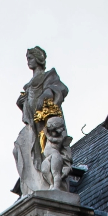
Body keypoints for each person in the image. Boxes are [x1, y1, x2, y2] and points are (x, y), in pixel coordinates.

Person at [14, 46, 70, 195]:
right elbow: (28, 103)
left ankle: (50, 182)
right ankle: (31, 187)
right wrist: (22, 102)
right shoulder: (29, 84)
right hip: (33, 124)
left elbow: (61, 88)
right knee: (18, 149)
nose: (28, 62)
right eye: (27, 59)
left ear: (38, 59)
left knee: (47, 152)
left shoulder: (48, 76)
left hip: (45, 123)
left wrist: (47, 92)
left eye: (30, 58)